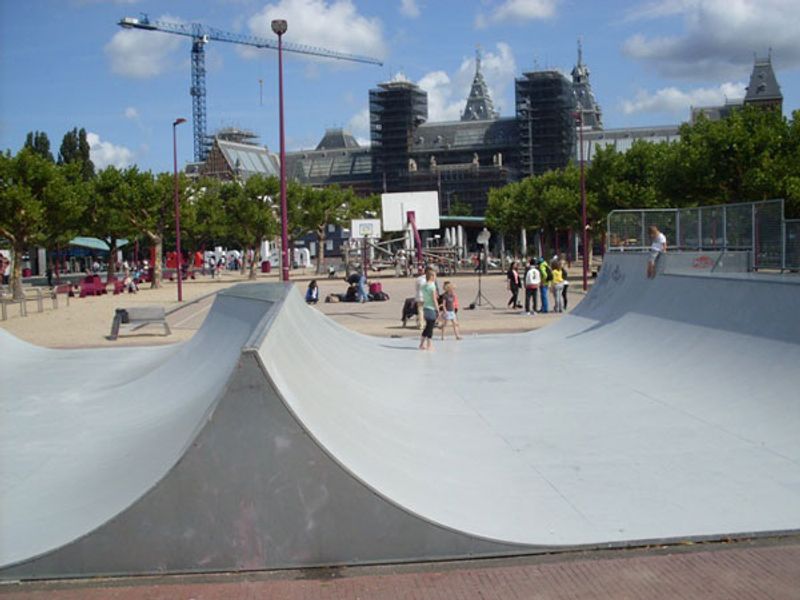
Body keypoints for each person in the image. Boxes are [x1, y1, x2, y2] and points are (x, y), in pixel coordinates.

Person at [419, 268, 439, 351]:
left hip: (425, 307)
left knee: (427, 326)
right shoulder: (432, 286)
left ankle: (421, 343)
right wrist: (437, 309)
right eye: (434, 275)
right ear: (431, 276)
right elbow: (434, 299)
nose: (435, 277)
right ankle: (429, 344)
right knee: (430, 327)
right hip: (431, 308)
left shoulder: (423, 286)